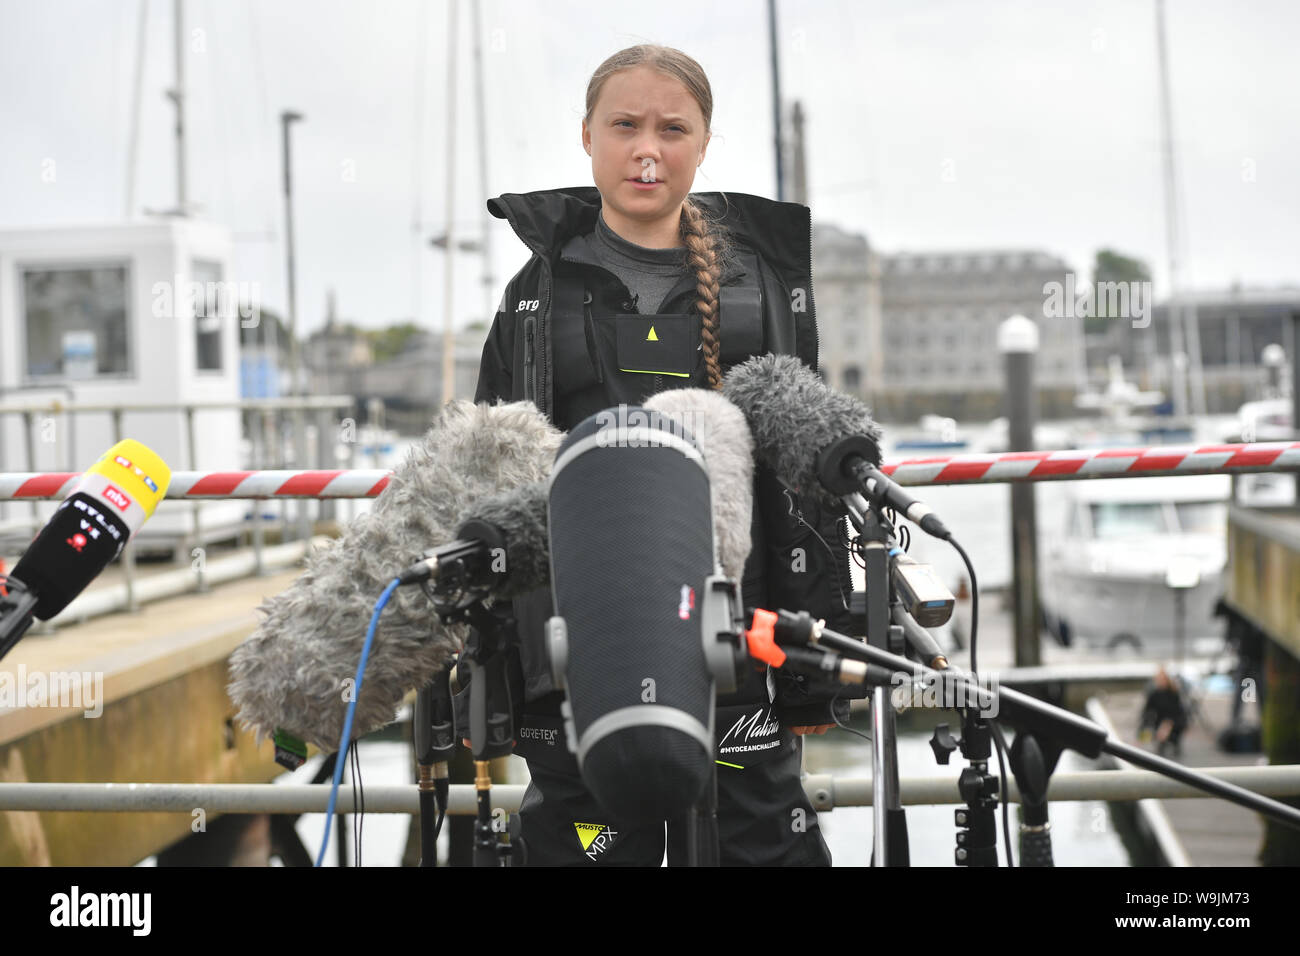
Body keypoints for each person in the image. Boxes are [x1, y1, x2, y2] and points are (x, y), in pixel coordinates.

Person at [472, 44, 858, 866]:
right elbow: (495, 471)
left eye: (672, 128)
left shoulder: (763, 286)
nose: (647, 149)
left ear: (704, 144)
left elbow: (805, 480)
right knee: (587, 839)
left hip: (734, 629)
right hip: (584, 625)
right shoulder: (534, 295)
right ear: (587, 137)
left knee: (757, 833)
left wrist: (815, 662)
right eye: (625, 125)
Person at [1139, 666, 1189, 759]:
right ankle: (1162, 744)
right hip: (1160, 721)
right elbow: (1147, 711)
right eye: (1158, 679)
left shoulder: (1174, 693)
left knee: (1170, 733)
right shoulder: (1154, 694)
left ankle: (1174, 743)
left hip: (1174, 721)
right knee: (1155, 732)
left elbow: (1178, 712)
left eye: (1162, 679)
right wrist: (1141, 731)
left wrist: (1167, 725)